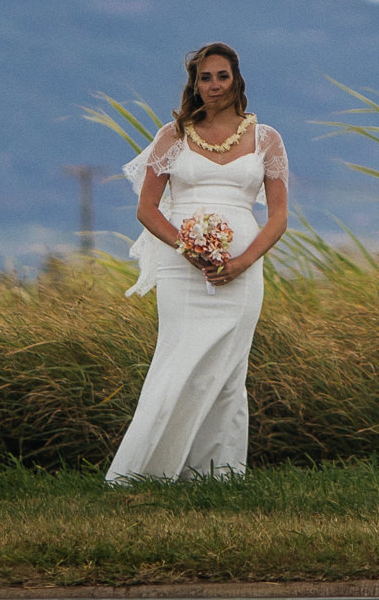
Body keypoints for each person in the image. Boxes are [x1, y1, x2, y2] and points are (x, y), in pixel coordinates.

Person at [105, 40, 289, 482]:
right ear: (194, 82)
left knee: (227, 372)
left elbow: (279, 217)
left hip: (242, 272)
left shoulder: (266, 139)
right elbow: (147, 209)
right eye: (204, 77)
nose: (213, 85)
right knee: (179, 361)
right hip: (181, 268)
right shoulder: (173, 136)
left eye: (221, 76)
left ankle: (216, 474)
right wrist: (189, 248)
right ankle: (145, 471)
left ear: (236, 79)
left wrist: (243, 261)